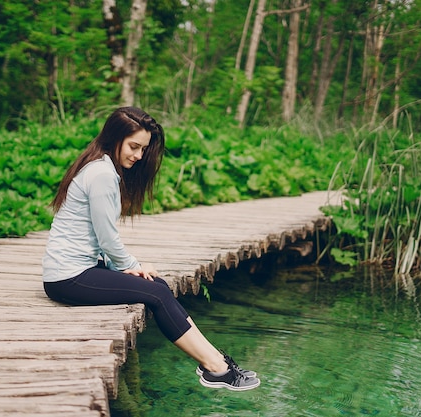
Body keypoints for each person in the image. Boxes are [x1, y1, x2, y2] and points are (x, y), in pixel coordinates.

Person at [42, 107, 260, 391]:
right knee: (156, 291)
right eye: (134, 147)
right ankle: (215, 367)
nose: (139, 155)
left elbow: (100, 238)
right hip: (67, 277)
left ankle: (216, 361)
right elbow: (107, 237)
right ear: (115, 138)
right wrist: (132, 264)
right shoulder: (102, 174)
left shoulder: (98, 166)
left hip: (78, 269)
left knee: (156, 285)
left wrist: (128, 268)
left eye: (143, 149)